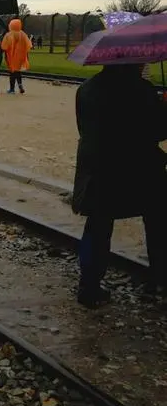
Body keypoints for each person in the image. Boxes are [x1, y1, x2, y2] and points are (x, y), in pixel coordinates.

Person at [72, 64, 167, 307]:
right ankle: (159, 278)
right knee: (157, 220)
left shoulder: (87, 88)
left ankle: (89, 286)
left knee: (98, 224)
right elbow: (157, 131)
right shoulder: (141, 90)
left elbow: (84, 127)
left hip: (98, 167)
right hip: (138, 166)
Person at [1, 19, 32, 93]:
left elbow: (4, 47)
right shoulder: (23, 34)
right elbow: (28, 45)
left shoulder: (8, 35)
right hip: (21, 56)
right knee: (18, 71)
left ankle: (12, 89)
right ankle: (20, 84)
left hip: (11, 56)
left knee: (12, 72)